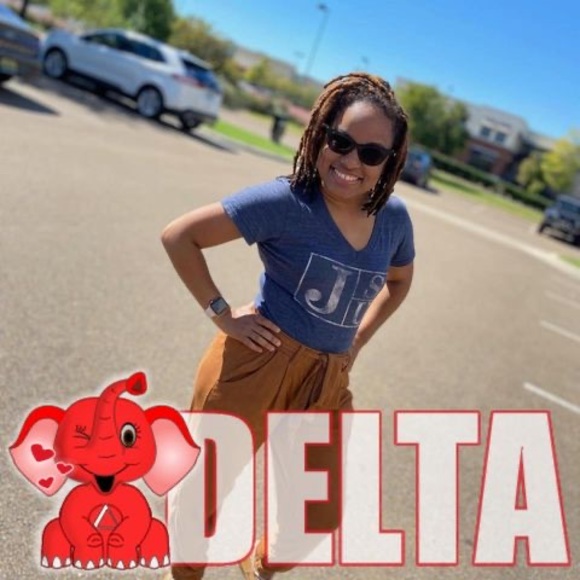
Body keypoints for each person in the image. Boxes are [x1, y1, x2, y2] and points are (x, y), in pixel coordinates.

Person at [161, 72, 415, 580]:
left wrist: (357, 340)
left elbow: (399, 281)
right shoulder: (286, 201)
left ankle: (260, 565)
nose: (351, 161)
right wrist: (222, 313)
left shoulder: (394, 219)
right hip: (257, 362)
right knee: (203, 494)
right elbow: (179, 236)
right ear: (320, 134)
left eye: (370, 153)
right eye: (340, 141)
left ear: (388, 162)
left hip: (326, 381)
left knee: (315, 515)